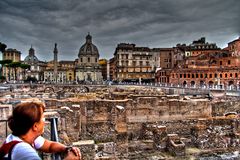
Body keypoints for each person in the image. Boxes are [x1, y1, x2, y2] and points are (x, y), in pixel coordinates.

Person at [3, 101, 81, 160]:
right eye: (42, 118)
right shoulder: (22, 149)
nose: (44, 121)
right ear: (35, 126)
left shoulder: (25, 137)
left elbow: (49, 146)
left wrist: (67, 149)